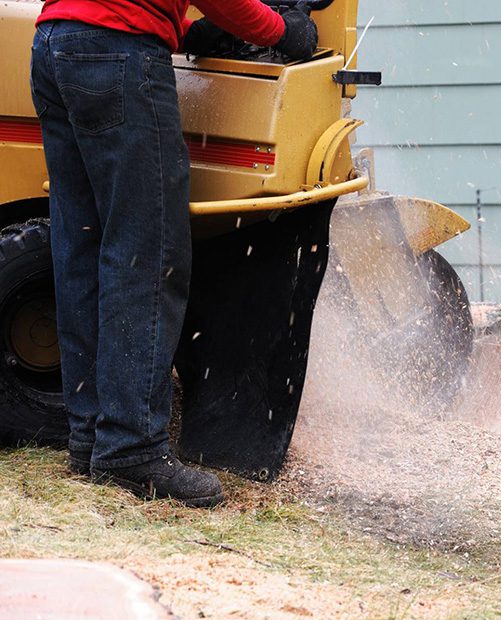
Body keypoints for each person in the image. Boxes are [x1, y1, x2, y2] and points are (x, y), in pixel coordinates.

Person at [29, 0, 318, 508]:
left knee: (83, 243)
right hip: (117, 55)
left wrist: (184, 31)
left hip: (56, 42)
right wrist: (281, 29)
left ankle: (91, 435)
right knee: (145, 250)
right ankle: (130, 447)